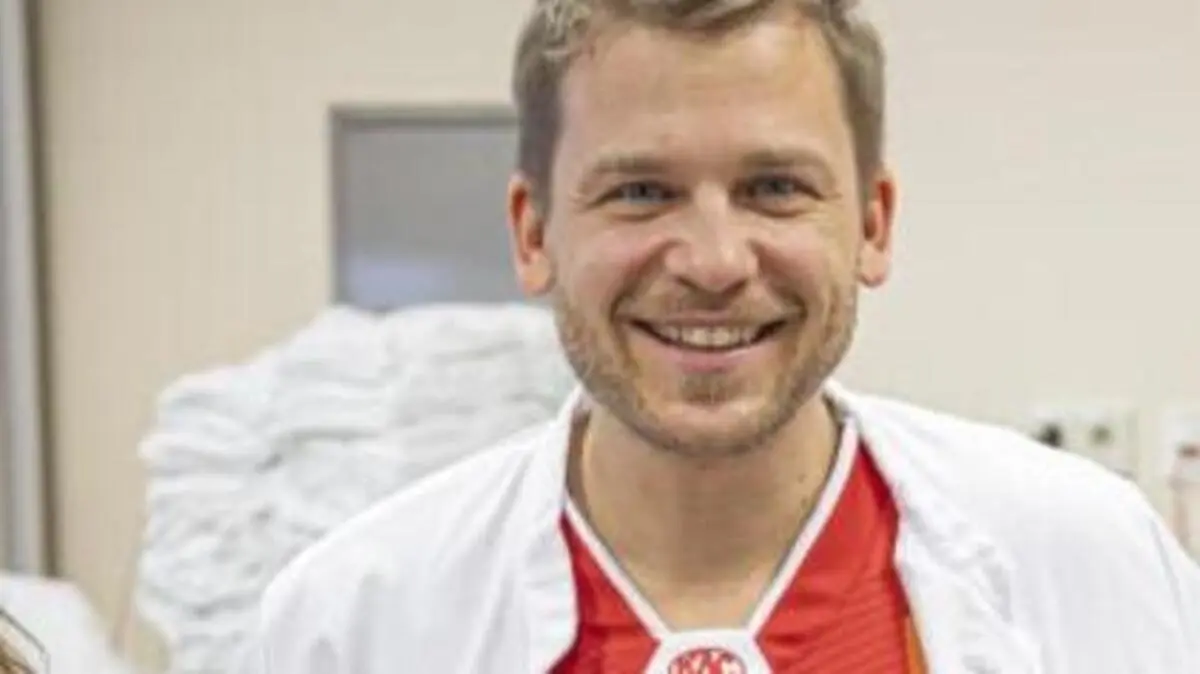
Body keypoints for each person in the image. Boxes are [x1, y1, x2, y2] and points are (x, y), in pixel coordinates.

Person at [245, 0, 1200, 672]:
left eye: (775, 188)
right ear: (533, 235)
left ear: (874, 222)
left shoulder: (1089, 563)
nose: (713, 262)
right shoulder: (354, 623)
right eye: (641, 191)